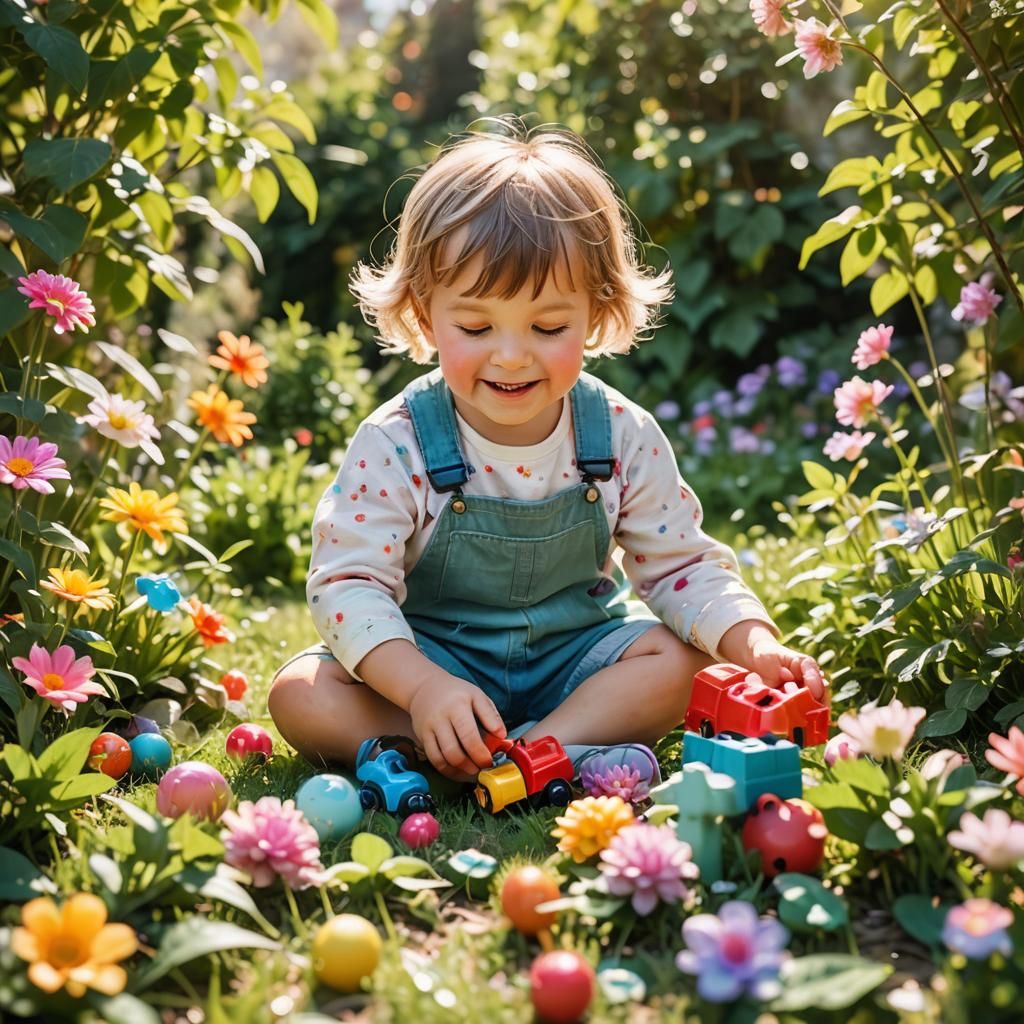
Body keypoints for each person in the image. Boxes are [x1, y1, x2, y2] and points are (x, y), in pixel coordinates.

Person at [268, 116, 825, 785]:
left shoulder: (619, 433)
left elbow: (683, 568)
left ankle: (537, 751)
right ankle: (459, 739)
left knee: (695, 665)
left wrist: (754, 642)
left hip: (575, 666)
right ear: (424, 313)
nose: (512, 354)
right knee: (300, 692)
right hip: (432, 663)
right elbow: (349, 584)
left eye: (549, 325)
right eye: (476, 325)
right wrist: (421, 690)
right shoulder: (398, 442)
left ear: (596, 311)